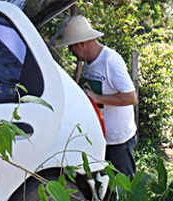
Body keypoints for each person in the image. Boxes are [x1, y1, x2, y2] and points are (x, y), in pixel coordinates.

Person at [57, 15, 139, 177]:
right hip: (99, 137)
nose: (71, 52)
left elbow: (131, 98)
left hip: (118, 141)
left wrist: (98, 99)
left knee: (123, 190)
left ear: (81, 43)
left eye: (71, 48)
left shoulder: (110, 61)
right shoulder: (87, 63)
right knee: (104, 187)